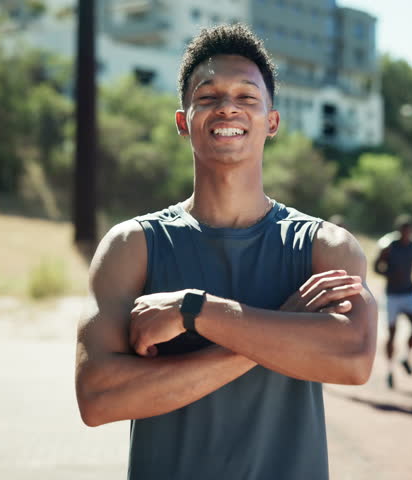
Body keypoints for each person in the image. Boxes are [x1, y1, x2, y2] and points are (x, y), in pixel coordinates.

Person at [74, 24, 377, 480]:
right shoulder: (131, 245)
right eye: (209, 95)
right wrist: (278, 330)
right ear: (184, 121)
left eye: (247, 96)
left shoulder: (323, 247)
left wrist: (195, 310)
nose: (228, 106)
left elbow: (354, 359)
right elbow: (96, 399)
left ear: (271, 121)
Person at [373, 214, 412, 388]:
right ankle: (389, 370)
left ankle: (406, 357)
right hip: (392, 294)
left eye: (409, 231)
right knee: (392, 333)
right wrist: (389, 274)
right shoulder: (389, 246)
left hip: (409, 292)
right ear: (399, 231)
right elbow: (376, 266)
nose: (406, 234)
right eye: (404, 231)